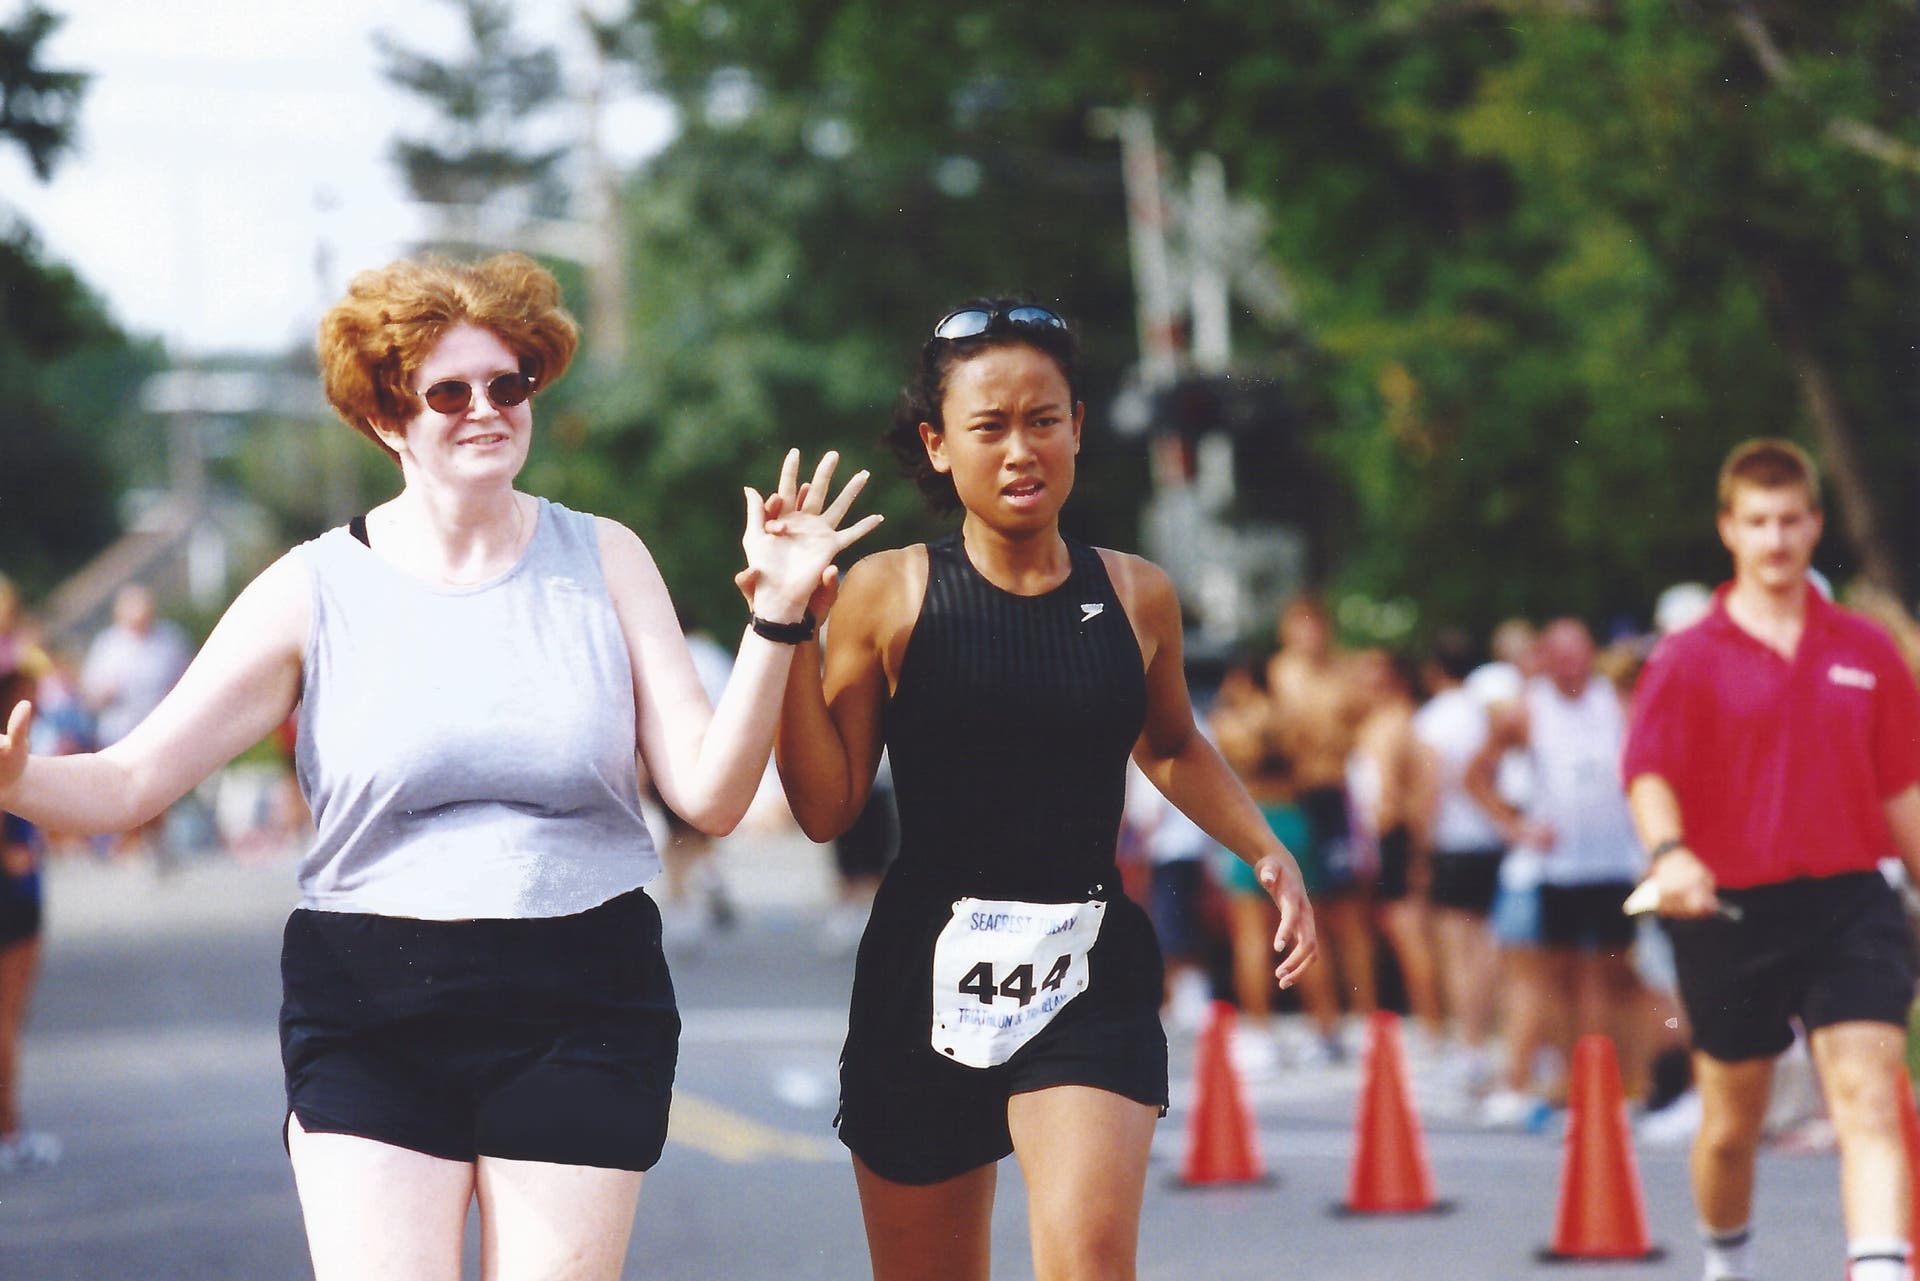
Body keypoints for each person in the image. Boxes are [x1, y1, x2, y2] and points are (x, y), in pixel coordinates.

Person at [0, 252, 879, 1281]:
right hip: (372, 1001)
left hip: (581, 995)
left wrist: (776, 622)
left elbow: (712, 795)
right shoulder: (314, 587)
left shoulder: (605, 560)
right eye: (449, 391)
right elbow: (130, 781)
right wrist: (15, 782)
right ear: (386, 417)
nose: (485, 411)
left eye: (510, 386)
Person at [768, 298, 1316, 1281]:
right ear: (937, 447)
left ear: (1077, 429)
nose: (1021, 450)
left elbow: (1174, 745)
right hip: (921, 973)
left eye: (1043, 420)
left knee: (1090, 1260)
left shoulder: (1138, 592)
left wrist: (1265, 848)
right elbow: (826, 808)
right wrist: (787, 628)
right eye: (989, 426)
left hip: (1085, 961)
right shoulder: (886, 594)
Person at [1624, 438, 1920, 1281]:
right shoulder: (1688, 654)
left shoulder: (1866, 650)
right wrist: (1671, 854)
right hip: (1730, 909)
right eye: (1758, 521)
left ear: (1816, 523)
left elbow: (1903, 792)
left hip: (1851, 900)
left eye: (1792, 519)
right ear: (1729, 529)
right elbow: (1649, 773)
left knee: (1867, 1092)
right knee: (1730, 1125)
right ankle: (1728, 1259)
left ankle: (1879, 1269)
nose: (1777, 538)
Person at [1468, 618, 1650, 1109]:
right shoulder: (1528, 712)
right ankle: (1572, 1078)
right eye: (1562, 659)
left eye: (1579, 658)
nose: (1572, 670)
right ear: (1546, 661)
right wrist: (1515, 827)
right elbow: (1476, 774)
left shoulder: (1614, 704)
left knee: (1613, 976)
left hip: (1613, 863)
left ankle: (1622, 1079)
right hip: (1560, 867)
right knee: (1561, 977)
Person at [1268, 596, 1375, 1061]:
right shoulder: (1280, 674)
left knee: (1348, 915)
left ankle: (1367, 1018)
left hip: (1331, 795)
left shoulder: (1341, 674)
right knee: (1302, 911)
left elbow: (1355, 730)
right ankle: (1325, 1023)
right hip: (1295, 796)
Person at [79, 584, 190, 861]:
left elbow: (186, 679)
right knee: (123, 789)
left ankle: (154, 839)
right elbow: (90, 690)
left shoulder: (169, 640)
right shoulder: (108, 644)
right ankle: (128, 842)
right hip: (119, 729)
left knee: (158, 787)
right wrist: (105, 692)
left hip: (158, 727)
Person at [0, 658, 59, 1174]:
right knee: (6, 1023)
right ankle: (10, 1133)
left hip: (20, 894)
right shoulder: (10, 750)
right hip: (14, 897)